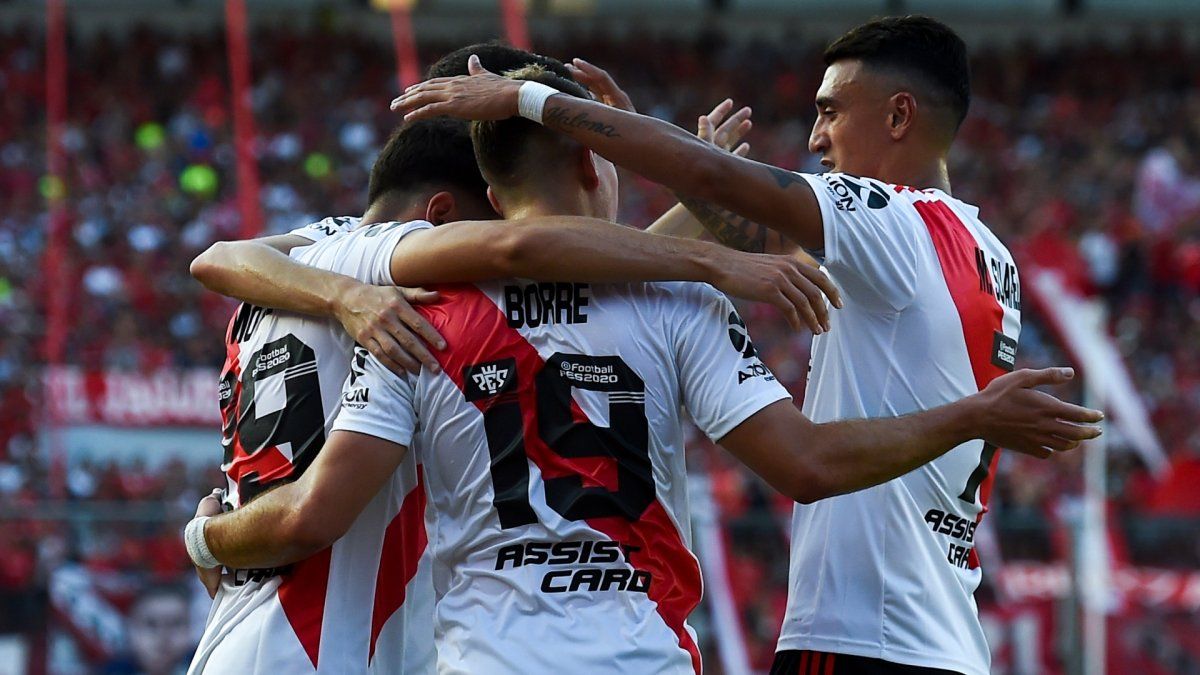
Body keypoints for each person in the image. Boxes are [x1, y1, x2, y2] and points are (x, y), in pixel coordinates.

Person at [186, 66, 1101, 674]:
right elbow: (808, 465)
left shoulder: (414, 313)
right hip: (640, 657)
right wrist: (971, 413)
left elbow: (316, 497)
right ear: (591, 161)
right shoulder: (677, 303)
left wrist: (208, 538)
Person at [391, 16, 1052, 675]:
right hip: (946, 634)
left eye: (829, 112)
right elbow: (717, 224)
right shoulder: (986, 253)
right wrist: (669, 169)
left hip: (863, 632)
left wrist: (531, 102)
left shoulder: (889, 220)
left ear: (899, 116)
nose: (817, 137)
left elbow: (717, 186)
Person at [186, 53, 837, 675]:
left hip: (239, 631)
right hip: (327, 644)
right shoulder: (393, 261)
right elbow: (528, 248)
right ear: (449, 215)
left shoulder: (315, 249)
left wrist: (686, 204)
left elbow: (217, 256)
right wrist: (711, 255)